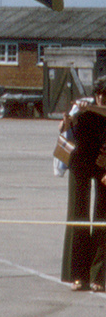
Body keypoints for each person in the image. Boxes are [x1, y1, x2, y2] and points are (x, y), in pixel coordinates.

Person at [61, 84, 106, 291]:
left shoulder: (93, 108)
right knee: (77, 213)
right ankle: (77, 274)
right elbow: (63, 132)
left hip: (103, 161)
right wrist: (67, 121)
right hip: (80, 160)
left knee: (103, 216)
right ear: (95, 94)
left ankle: (99, 275)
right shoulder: (82, 108)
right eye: (100, 95)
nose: (102, 99)